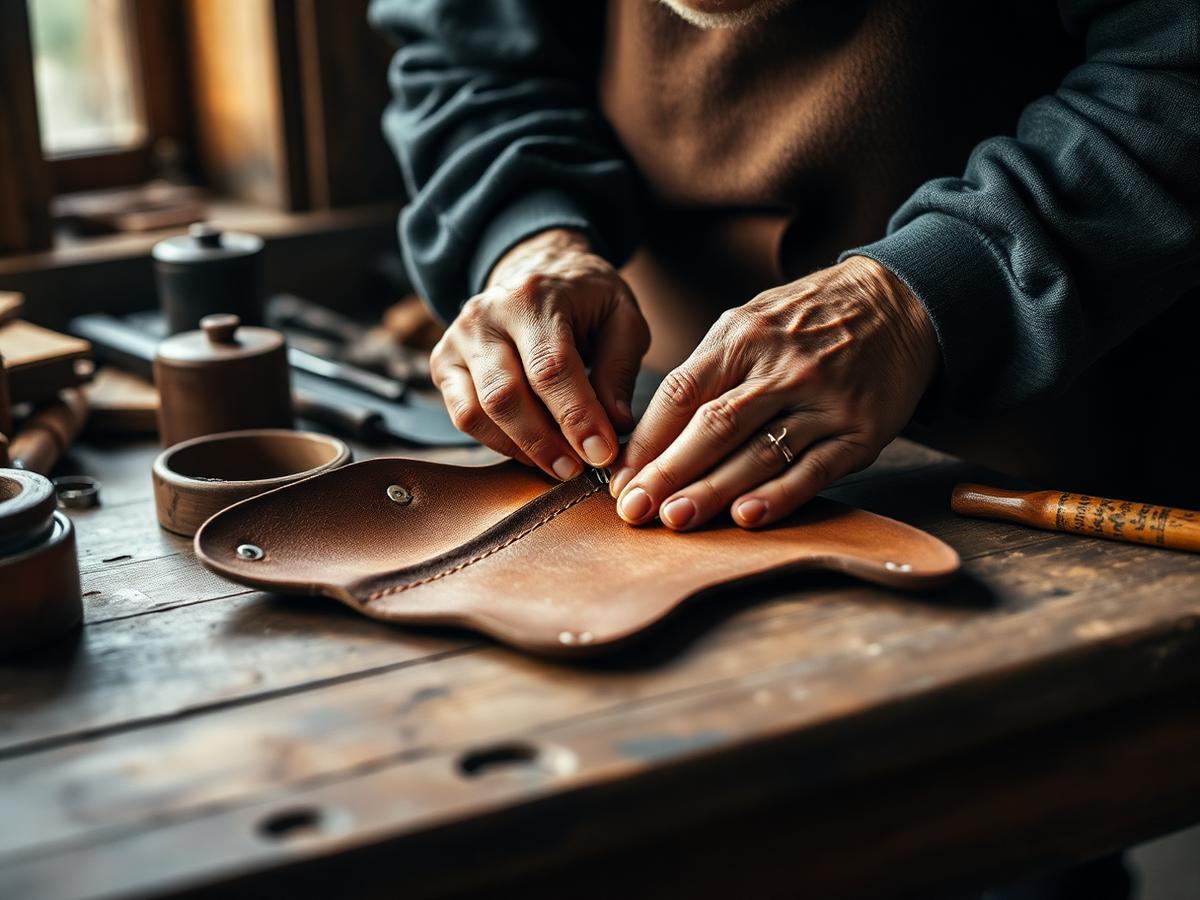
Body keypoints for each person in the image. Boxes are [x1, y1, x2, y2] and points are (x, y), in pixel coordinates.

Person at [370, 0, 1200, 532]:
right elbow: (471, 54)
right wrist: (528, 235)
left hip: (1076, 447)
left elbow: (1176, 69)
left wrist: (927, 294)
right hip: (655, 406)